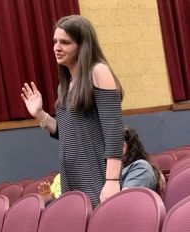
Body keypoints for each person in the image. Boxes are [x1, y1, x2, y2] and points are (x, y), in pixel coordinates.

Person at [21, 15, 124, 208]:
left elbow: (113, 132)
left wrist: (112, 181)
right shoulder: (64, 86)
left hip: (97, 174)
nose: (56, 48)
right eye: (55, 42)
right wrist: (40, 114)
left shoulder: (98, 72)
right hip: (73, 175)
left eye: (65, 42)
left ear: (82, 45)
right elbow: (67, 134)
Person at [38, 126, 165, 205]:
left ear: (132, 148)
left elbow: (123, 205)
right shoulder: (106, 172)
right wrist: (51, 201)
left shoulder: (140, 168)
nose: (110, 149)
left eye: (118, 145)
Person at [121, 126, 165, 196]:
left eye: (119, 146)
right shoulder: (112, 168)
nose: (112, 151)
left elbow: (125, 201)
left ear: (131, 147)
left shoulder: (141, 167)